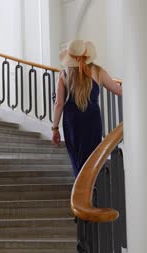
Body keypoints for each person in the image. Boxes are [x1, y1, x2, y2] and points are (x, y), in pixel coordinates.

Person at [52, 40, 122, 177]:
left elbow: (59, 104)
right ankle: (92, 191)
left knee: (76, 158)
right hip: (92, 119)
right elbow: (119, 90)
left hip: (72, 121)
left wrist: (55, 128)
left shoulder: (64, 74)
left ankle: (80, 189)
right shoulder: (97, 71)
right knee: (92, 158)